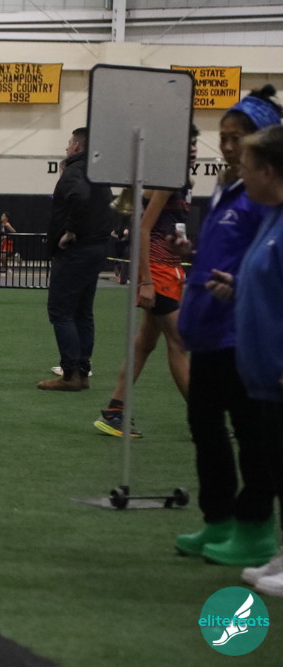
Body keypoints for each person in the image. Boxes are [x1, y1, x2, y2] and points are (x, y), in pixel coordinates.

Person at [173, 87, 282, 567]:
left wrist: (238, 288)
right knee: (205, 429)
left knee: (252, 437)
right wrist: (194, 253)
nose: (228, 145)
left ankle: (254, 526)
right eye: (224, 136)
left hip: (239, 333)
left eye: (238, 137)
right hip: (207, 329)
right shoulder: (228, 188)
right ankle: (217, 518)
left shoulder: (264, 195)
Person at [203, 124, 283, 597]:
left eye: (249, 167)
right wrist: (237, 288)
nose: (241, 174)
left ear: (268, 171)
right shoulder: (272, 219)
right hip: (263, 375)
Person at [93, 125, 198, 431]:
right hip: (158, 271)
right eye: (187, 143)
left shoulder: (184, 179)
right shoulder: (165, 182)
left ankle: (114, 411)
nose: (193, 149)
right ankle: (203, 417)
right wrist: (147, 281)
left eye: (195, 143)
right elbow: (142, 228)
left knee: (144, 344)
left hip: (169, 269)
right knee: (178, 342)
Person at [36, 127, 114, 391]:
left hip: (76, 251)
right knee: (83, 312)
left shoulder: (74, 171)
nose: (67, 147)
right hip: (96, 248)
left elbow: (79, 197)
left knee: (60, 311)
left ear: (78, 147)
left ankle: (69, 374)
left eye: (70, 143)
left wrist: (70, 231)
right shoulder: (99, 174)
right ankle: (82, 371)